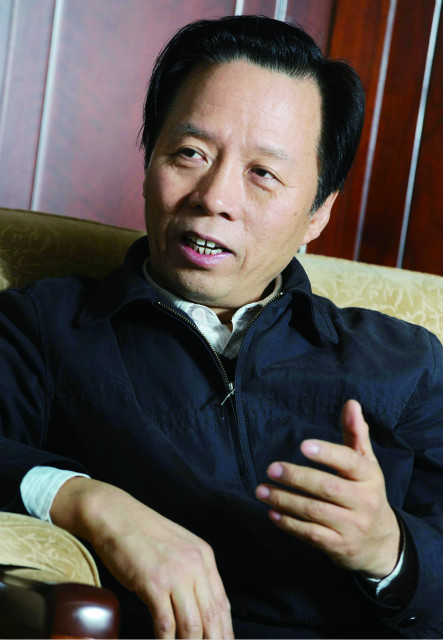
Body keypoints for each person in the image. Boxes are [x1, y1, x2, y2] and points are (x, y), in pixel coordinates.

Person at [0, 15, 441, 639]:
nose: (214, 197)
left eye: (263, 173)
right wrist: (90, 501)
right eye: (190, 153)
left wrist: (389, 549)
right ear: (148, 160)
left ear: (318, 213)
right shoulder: (45, 328)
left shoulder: (407, 362)